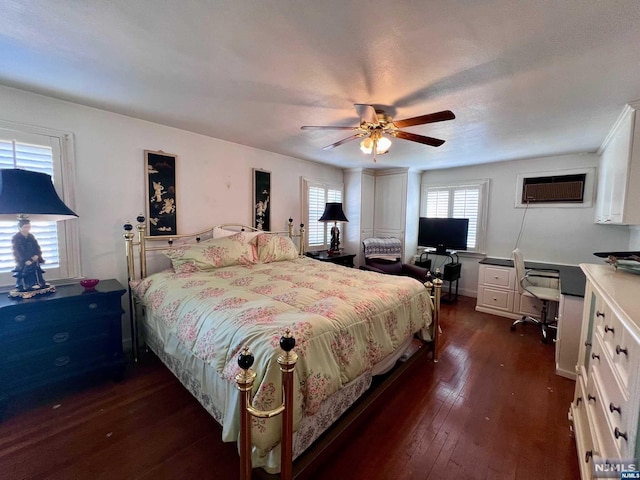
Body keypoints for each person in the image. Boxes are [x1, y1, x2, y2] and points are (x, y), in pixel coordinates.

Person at [11, 218, 48, 291]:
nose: (27, 229)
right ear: (20, 227)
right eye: (25, 227)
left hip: (33, 257)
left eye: (28, 227)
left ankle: (39, 283)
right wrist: (25, 260)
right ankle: (27, 285)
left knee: (36, 271)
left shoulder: (31, 236)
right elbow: (17, 251)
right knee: (25, 272)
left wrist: (37, 255)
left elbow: (36, 246)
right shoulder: (16, 238)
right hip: (24, 259)